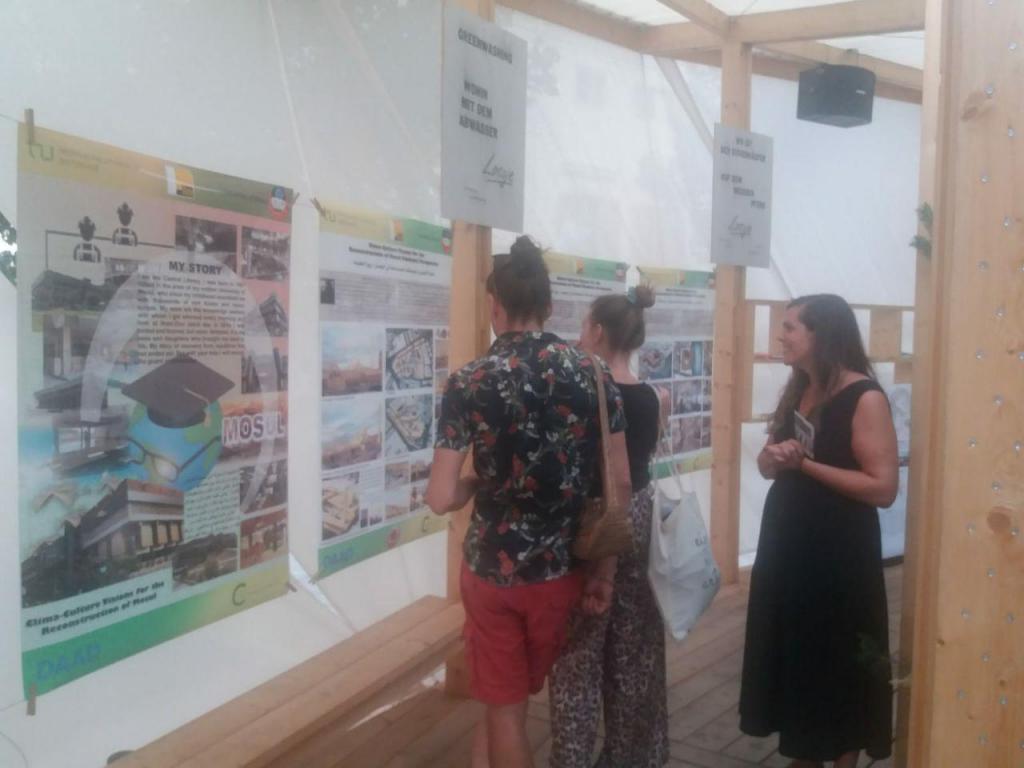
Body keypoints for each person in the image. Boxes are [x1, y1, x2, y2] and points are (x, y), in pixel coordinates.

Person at [425, 235, 631, 768]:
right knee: (504, 700)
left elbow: (441, 496)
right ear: (549, 306)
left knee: (504, 710)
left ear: (494, 306)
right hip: (560, 573)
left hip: (491, 573)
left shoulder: (468, 382)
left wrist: (474, 484)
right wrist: (604, 572)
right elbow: (620, 485)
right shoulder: (594, 374)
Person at [739, 294, 899, 768]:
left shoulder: (864, 396)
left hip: (837, 554)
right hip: (792, 549)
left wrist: (805, 466)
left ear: (821, 334)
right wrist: (772, 459)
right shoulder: (801, 387)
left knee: (838, 650)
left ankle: (842, 757)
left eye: (790, 327)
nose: (781, 335)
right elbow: (769, 463)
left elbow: (883, 487)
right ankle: (808, 748)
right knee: (801, 648)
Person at [549, 285, 671, 768]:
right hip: (639, 515)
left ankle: (573, 758)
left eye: (584, 326)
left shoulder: (583, 393)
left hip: (594, 524)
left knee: (578, 655)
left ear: (598, 331)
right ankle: (634, 756)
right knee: (635, 649)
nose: (580, 335)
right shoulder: (654, 396)